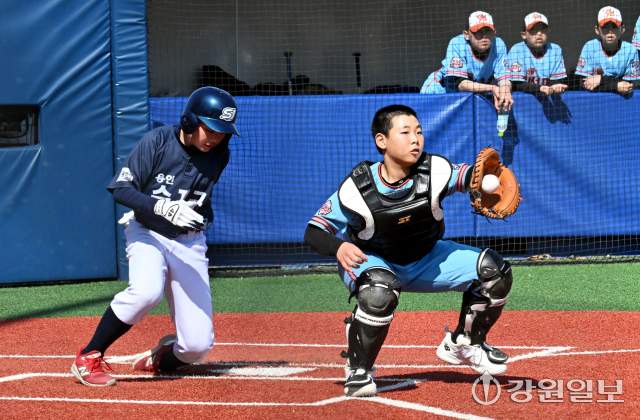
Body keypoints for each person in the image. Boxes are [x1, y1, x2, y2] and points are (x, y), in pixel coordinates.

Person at [304, 105, 514, 398]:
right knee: (379, 291)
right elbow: (313, 231)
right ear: (381, 141)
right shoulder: (357, 189)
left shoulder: (435, 170)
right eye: (405, 133)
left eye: (419, 132)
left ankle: (464, 343)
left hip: (427, 257)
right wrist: (339, 246)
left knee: (495, 271)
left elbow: (470, 177)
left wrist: (483, 184)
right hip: (374, 261)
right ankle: (359, 369)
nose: (416, 139)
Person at [70, 87, 241, 386]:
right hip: (148, 232)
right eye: (210, 128)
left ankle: (162, 359)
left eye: (223, 132)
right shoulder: (157, 141)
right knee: (146, 292)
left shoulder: (219, 154)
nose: (216, 137)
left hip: (190, 242)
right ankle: (88, 356)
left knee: (197, 346)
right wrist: (159, 206)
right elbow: (120, 189)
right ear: (189, 120)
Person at [420, 11, 513, 111]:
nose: (484, 35)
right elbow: (462, 85)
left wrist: (505, 90)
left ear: (494, 32)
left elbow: (505, 78)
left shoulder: (498, 45)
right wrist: (493, 88)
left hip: (463, 98)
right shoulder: (457, 43)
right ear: (466, 34)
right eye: (477, 31)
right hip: (437, 92)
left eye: (487, 30)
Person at [575, 6, 640, 93]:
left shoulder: (630, 50)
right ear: (597, 29)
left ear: (622, 29)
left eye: (614, 26)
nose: (610, 31)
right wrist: (615, 86)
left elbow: (628, 86)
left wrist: (601, 80)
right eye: (605, 26)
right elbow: (583, 83)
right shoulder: (589, 47)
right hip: (595, 99)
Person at [508, 12, 568, 95]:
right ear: (523, 34)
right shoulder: (517, 50)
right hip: (523, 99)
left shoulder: (555, 49)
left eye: (543, 29)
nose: (539, 33)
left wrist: (555, 87)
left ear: (548, 32)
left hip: (546, 98)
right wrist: (539, 88)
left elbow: (555, 80)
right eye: (533, 29)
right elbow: (517, 84)